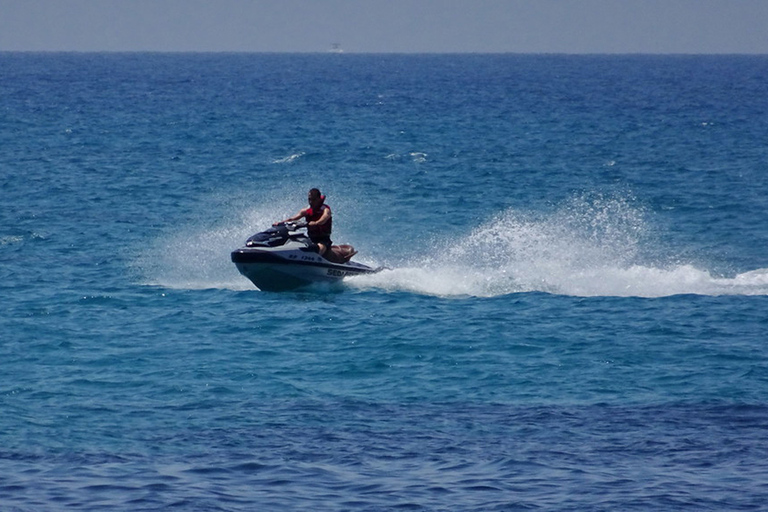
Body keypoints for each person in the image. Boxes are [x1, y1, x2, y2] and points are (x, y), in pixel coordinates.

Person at [274, 188, 333, 256]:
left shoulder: (326, 210)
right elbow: (292, 219)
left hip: (324, 240)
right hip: (311, 238)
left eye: (313, 200)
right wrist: (280, 223)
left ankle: (316, 257)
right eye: (309, 199)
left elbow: (324, 218)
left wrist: (316, 222)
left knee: (321, 247)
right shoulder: (306, 211)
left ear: (319, 199)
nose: (311, 202)